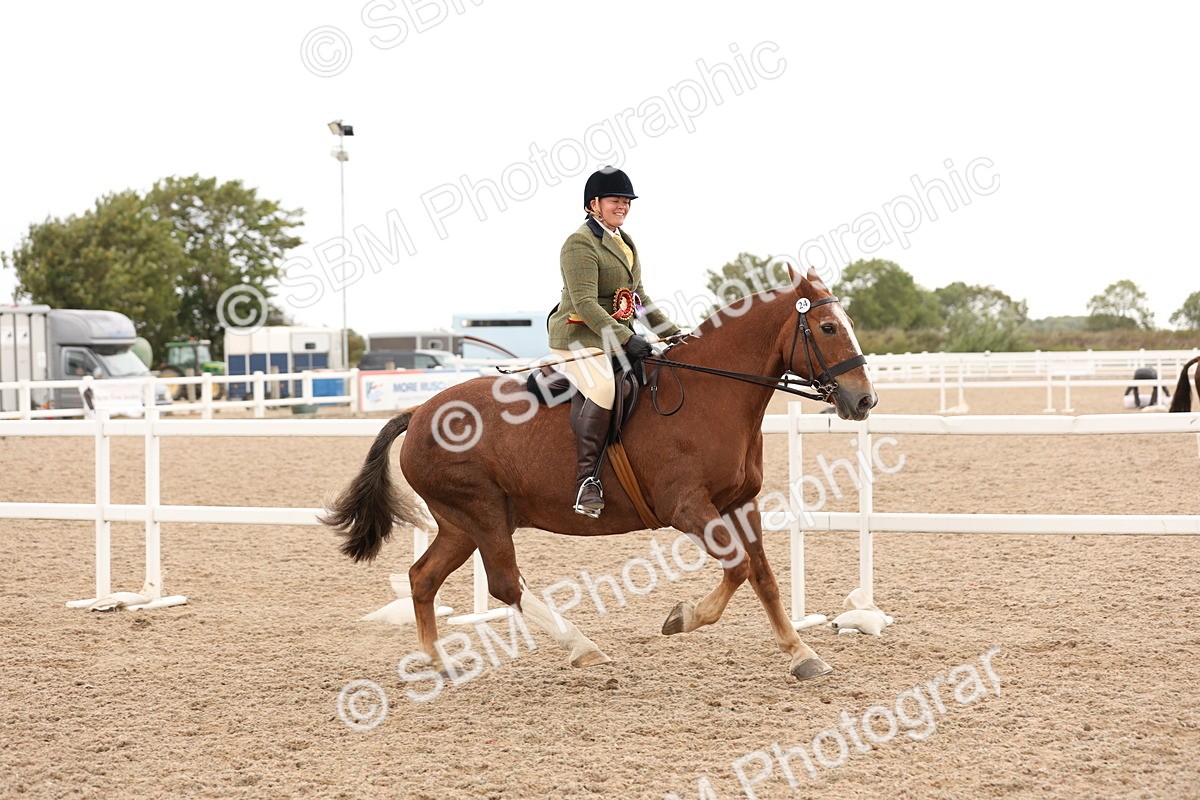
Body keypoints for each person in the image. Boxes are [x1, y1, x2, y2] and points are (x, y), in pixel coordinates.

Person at [547, 166, 682, 518]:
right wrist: (625, 338)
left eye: (626, 201)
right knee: (605, 388)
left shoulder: (625, 242)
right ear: (594, 204)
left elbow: (638, 299)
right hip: (578, 338)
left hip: (612, 338)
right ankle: (586, 481)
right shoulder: (579, 244)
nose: (622, 206)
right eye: (615, 200)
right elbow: (585, 304)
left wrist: (672, 333)